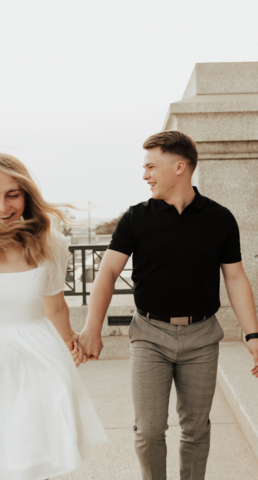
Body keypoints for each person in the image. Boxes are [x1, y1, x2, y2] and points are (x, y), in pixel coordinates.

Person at [79, 130, 258, 480]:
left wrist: (253, 336)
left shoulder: (220, 218)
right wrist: (91, 328)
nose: (144, 175)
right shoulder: (136, 219)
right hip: (149, 334)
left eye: (150, 166)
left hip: (203, 337)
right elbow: (108, 273)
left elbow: (235, 278)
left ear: (180, 166)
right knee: (148, 430)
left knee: (196, 429)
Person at [0, 153, 107, 480]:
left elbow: (55, 304)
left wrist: (71, 340)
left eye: (12, 194)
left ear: (27, 194)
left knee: (35, 449)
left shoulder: (50, 245)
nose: (2, 207)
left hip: (35, 356)